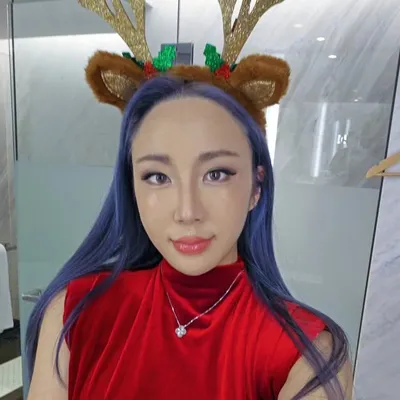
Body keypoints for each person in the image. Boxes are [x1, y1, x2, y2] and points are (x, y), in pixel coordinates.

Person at [26, 1, 353, 399]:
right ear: (132, 188)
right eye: (157, 177)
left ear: (256, 187)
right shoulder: (75, 313)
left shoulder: (308, 353)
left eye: (216, 174)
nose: (187, 212)